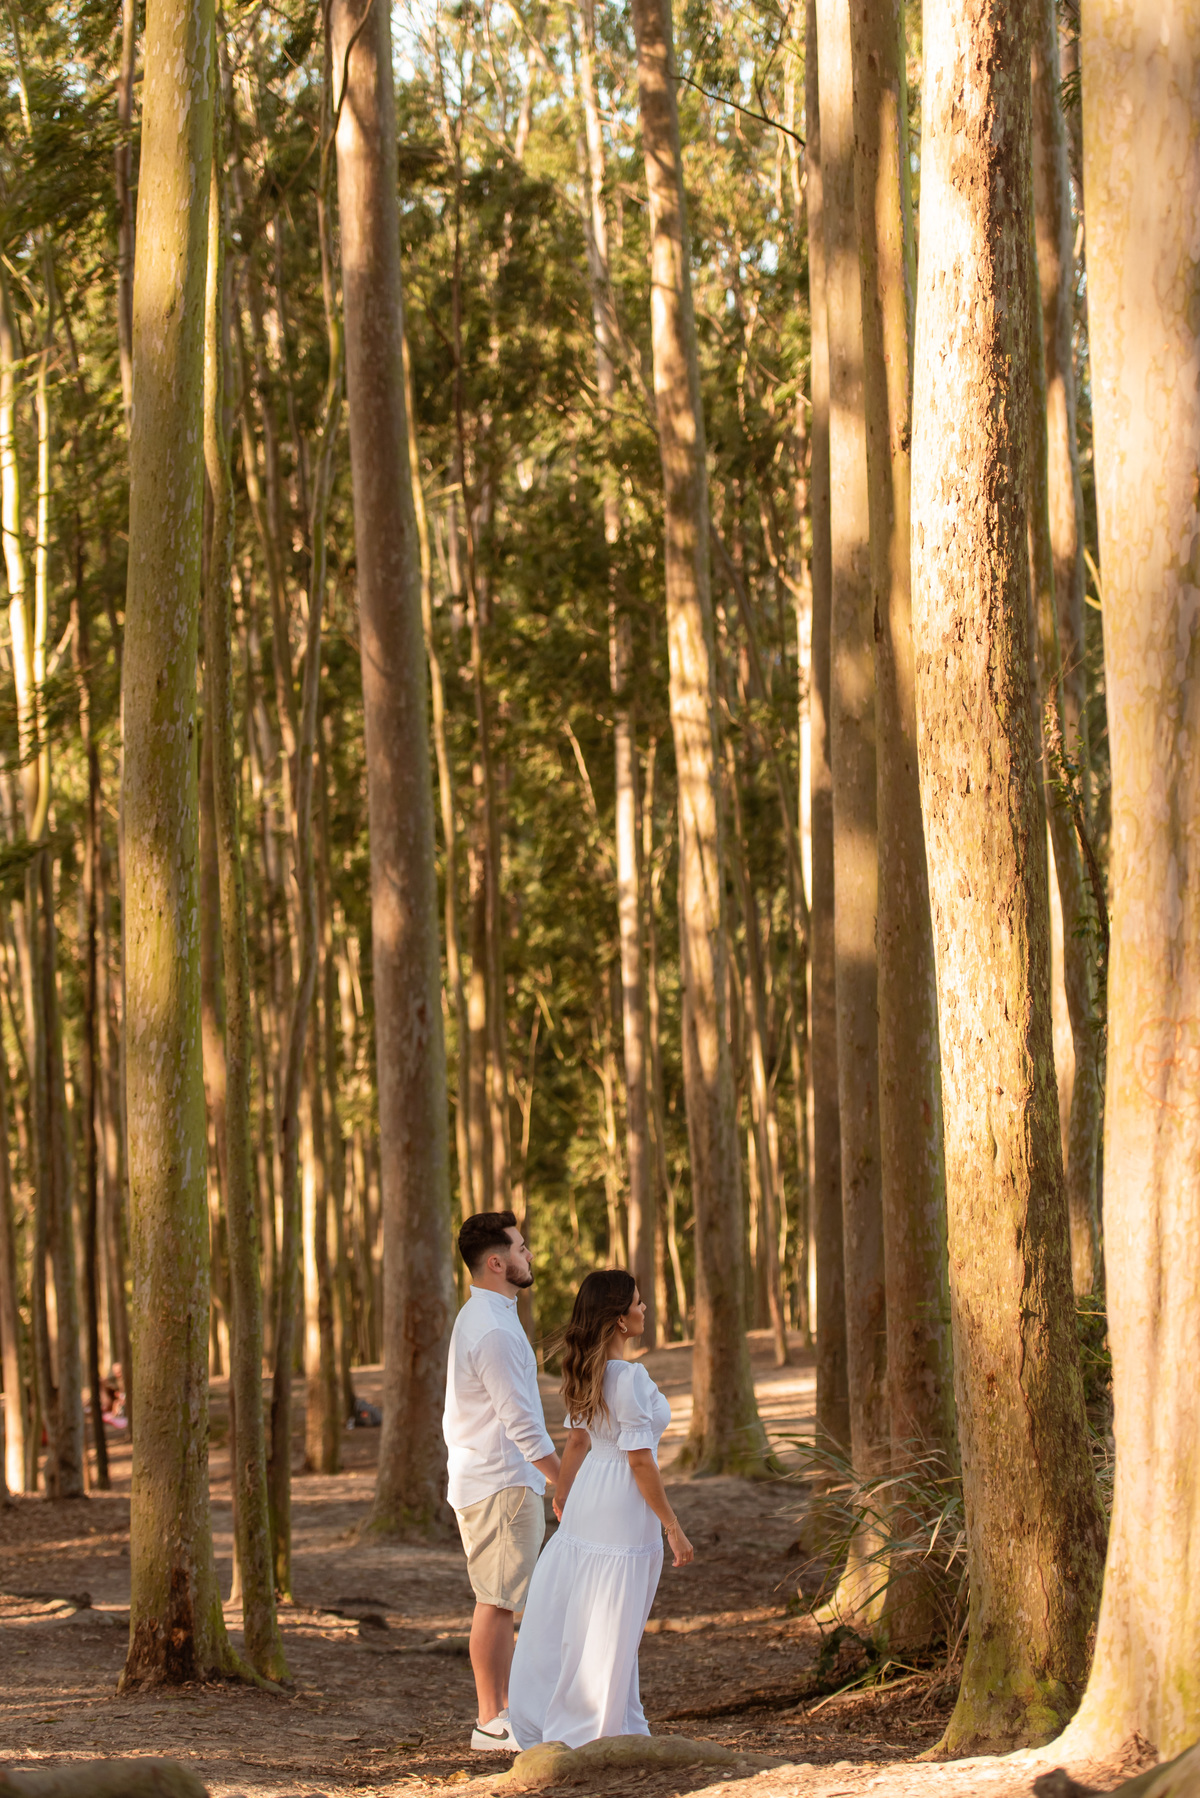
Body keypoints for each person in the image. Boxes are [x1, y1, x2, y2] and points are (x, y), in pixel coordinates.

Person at [507, 1270, 693, 1751]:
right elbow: (638, 1459)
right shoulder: (629, 1377)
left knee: (593, 1612)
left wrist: (565, 1494)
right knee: (613, 1616)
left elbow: (576, 1442)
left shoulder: (588, 1372)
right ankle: (595, 1727)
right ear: (619, 1320)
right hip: (621, 1504)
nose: (644, 1307)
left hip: (593, 1491)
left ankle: (611, 1719)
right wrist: (672, 1527)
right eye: (637, 1301)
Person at [443, 1210, 561, 1753]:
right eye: (521, 1247)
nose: (529, 1254)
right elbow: (520, 1422)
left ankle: (504, 1713)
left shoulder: (491, 1315)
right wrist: (561, 1481)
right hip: (501, 1484)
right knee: (497, 1602)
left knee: (500, 1599)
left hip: (497, 1480)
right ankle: (492, 1722)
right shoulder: (491, 1328)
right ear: (497, 1262)